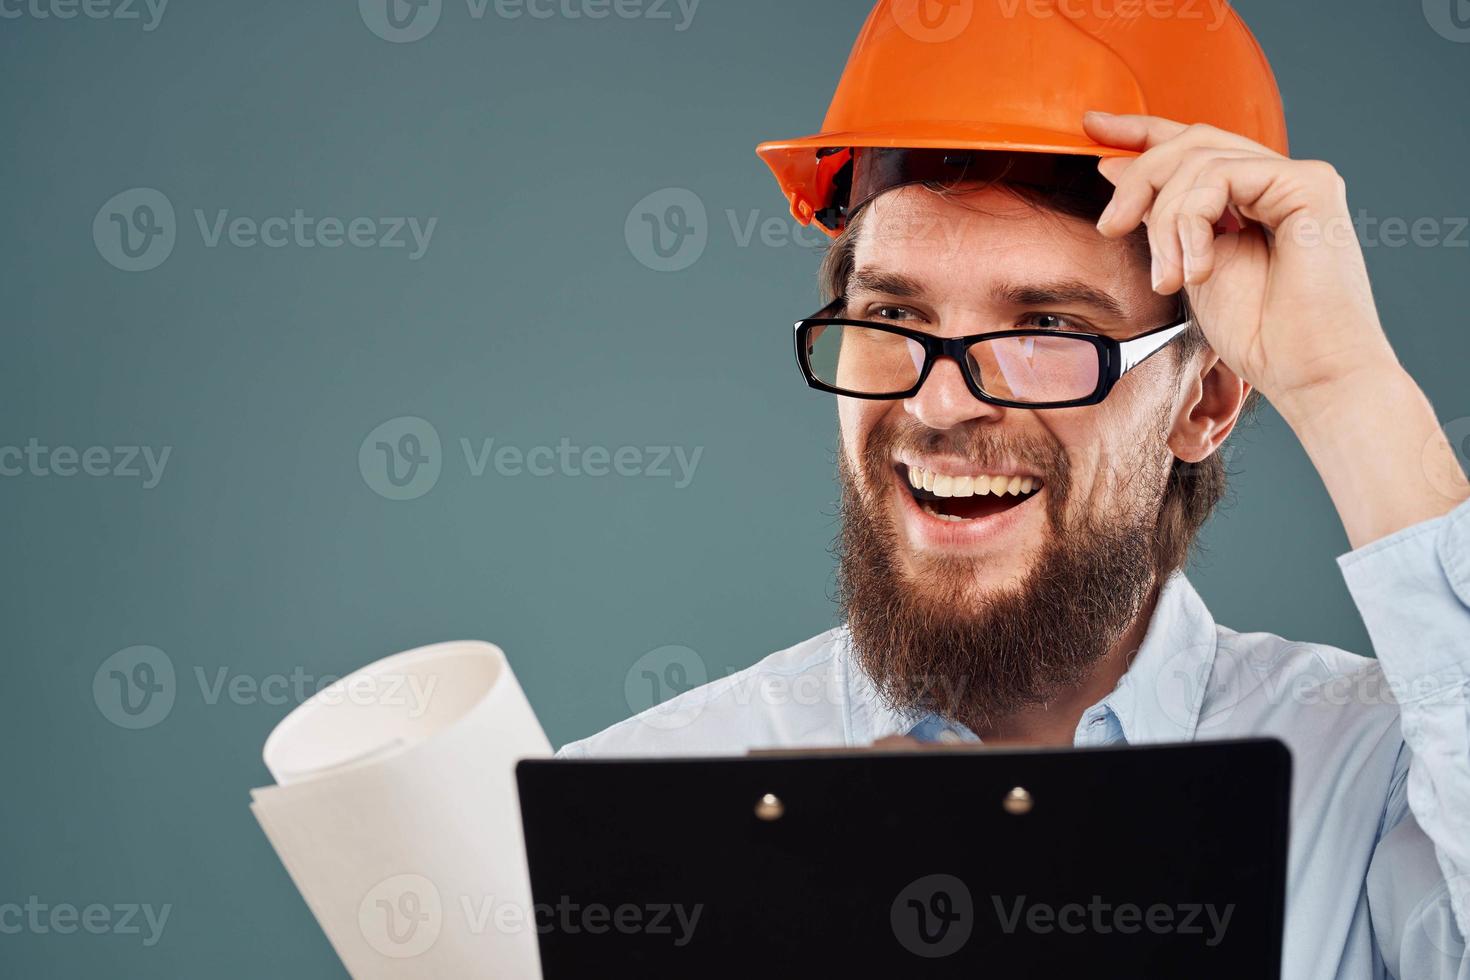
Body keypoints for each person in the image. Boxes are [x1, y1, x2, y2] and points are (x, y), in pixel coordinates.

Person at [559, 2, 1470, 974]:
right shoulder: (630, 810)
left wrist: (1347, 385)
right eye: (893, 314)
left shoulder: (1380, 781)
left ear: (1203, 398)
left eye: (1046, 328)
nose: (940, 400)